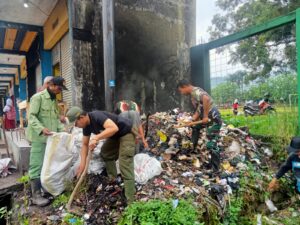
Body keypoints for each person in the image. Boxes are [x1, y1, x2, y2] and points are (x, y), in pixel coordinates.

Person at [66, 106, 136, 203]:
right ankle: (113, 181)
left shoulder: (96, 116)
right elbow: (85, 145)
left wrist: (96, 138)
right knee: (106, 153)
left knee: (124, 164)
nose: (76, 126)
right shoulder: (86, 126)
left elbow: (113, 128)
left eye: (75, 123)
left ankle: (130, 200)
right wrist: (82, 165)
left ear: (81, 117)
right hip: (115, 136)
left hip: (126, 132)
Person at [27, 77, 67, 206]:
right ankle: (36, 195)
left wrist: (63, 131)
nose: (60, 91)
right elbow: (31, 117)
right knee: (36, 165)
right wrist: (41, 129)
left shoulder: (53, 100)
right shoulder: (37, 98)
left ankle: (45, 190)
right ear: (51, 85)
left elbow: (55, 119)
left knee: (47, 164)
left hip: (50, 139)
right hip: (39, 138)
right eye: (59, 88)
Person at [177, 80, 222, 172]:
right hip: (207, 118)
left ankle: (215, 169)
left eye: (181, 90)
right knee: (195, 127)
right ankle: (193, 148)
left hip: (212, 118)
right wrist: (191, 120)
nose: (181, 93)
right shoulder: (193, 95)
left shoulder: (195, 91)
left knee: (211, 144)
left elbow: (206, 99)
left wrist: (205, 116)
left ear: (184, 86)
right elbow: (199, 109)